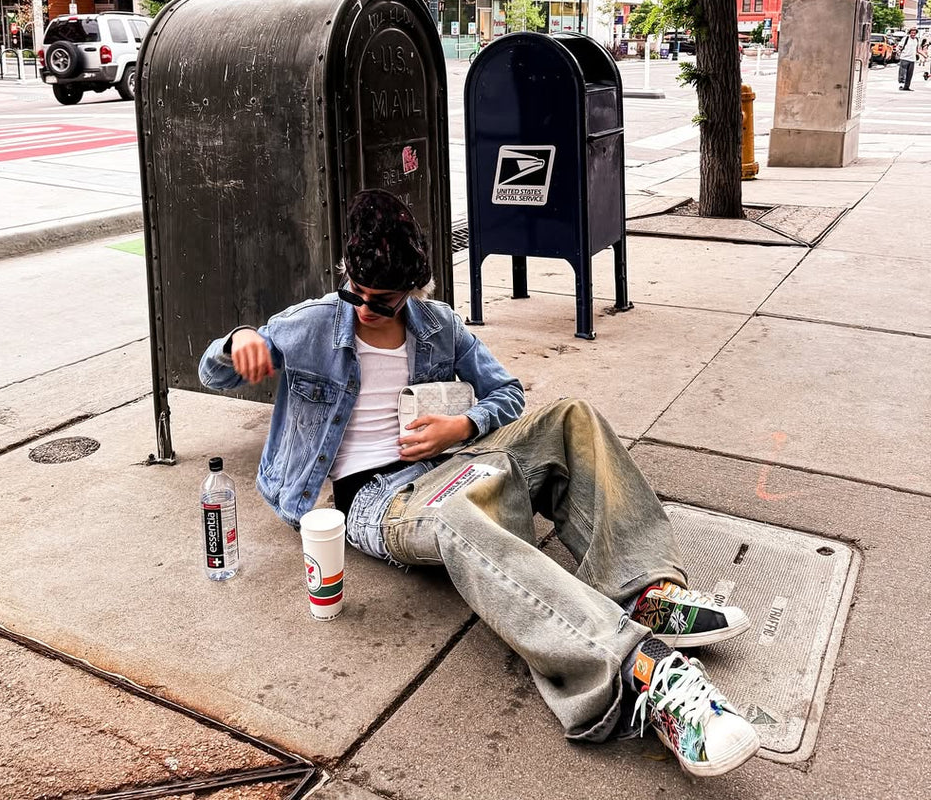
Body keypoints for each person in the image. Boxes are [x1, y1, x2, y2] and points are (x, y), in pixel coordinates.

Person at [199, 190, 761, 779]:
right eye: (355, 292)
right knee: (456, 512)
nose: (365, 307)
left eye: (383, 300)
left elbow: (509, 393)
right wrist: (239, 338)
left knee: (572, 415)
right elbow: (215, 370)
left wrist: (461, 426)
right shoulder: (311, 325)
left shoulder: (439, 327)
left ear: (413, 288)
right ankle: (640, 675)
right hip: (374, 501)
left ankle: (643, 590)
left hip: (446, 464)